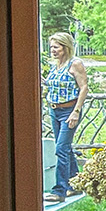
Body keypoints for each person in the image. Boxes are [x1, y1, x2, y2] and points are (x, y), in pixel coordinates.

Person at [43, 32, 87, 200]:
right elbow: (56, 85)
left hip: (69, 111)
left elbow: (84, 88)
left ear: (65, 47)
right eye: (51, 47)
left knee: (61, 148)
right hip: (55, 111)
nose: (52, 50)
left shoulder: (75, 64)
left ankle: (59, 191)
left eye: (56, 47)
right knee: (65, 148)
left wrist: (76, 111)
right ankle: (75, 185)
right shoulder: (56, 66)